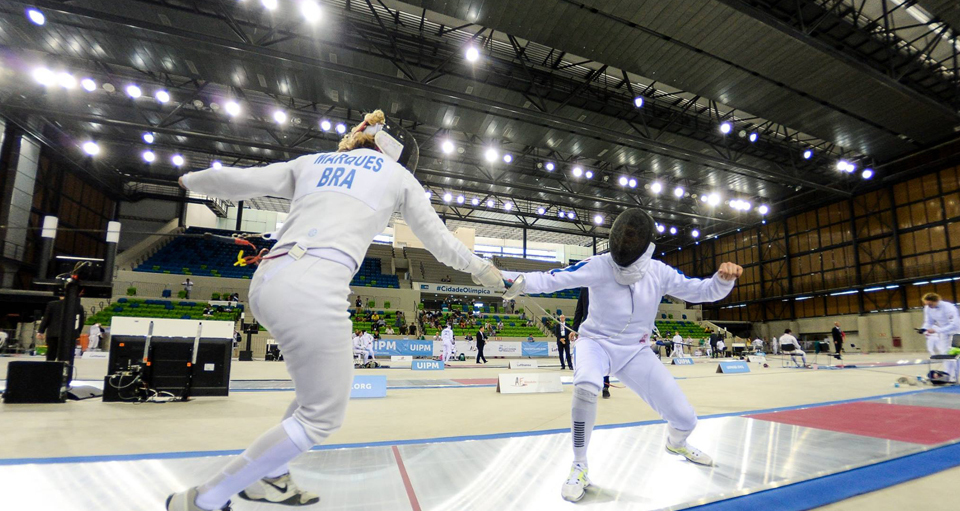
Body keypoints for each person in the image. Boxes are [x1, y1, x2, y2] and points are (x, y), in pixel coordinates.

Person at [167, 109, 502, 511]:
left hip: (268, 280)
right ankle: (203, 500)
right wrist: (484, 270)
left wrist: (192, 180)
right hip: (314, 286)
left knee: (314, 398)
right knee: (321, 417)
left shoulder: (313, 162)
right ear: (399, 155)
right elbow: (441, 242)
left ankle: (270, 477)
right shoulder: (397, 177)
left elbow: (245, 178)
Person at [500, 208, 741, 502]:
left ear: (646, 248)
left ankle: (677, 443)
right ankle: (579, 464)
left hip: (635, 350)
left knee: (686, 419)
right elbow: (550, 279)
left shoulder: (659, 272)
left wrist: (723, 279)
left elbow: (702, 291)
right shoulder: (599, 265)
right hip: (595, 343)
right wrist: (505, 278)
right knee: (586, 387)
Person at [573, 288, 611, 398]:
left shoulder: (606, 286)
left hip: (605, 330)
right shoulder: (584, 289)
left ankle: (606, 386)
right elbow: (579, 310)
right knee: (587, 359)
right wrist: (574, 330)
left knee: (605, 358)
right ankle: (589, 386)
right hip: (587, 330)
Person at [921, 293, 960, 381]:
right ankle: (948, 374)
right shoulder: (928, 308)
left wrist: (937, 330)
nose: (928, 306)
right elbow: (928, 322)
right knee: (944, 353)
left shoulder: (949, 308)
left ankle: (955, 375)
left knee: (955, 354)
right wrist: (923, 328)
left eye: (930, 304)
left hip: (956, 331)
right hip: (943, 332)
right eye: (926, 304)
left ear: (936, 301)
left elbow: (954, 324)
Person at [37, 293, 85, 362]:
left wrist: (41, 331)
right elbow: (80, 322)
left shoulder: (52, 304)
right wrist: (76, 333)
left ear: (60, 296)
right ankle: (63, 369)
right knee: (66, 356)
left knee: (51, 355)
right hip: (69, 335)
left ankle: (49, 369)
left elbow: (46, 319)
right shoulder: (78, 306)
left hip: (53, 334)